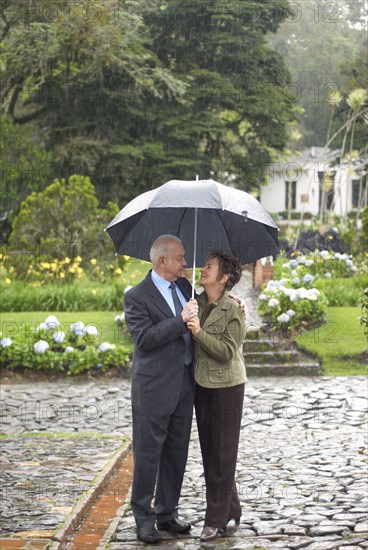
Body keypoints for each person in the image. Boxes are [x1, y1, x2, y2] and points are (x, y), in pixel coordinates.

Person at [123, 235, 198, 544]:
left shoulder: (183, 288)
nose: (185, 262)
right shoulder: (137, 296)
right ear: (162, 260)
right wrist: (180, 320)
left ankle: (167, 513)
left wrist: (232, 300)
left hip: (184, 385)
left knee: (176, 452)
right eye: (180, 257)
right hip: (153, 388)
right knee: (148, 454)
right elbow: (145, 339)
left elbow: (201, 309)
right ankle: (143, 517)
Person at [187, 251, 247, 543]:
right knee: (212, 453)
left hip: (228, 388)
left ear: (223, 279)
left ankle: (215, 521)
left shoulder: (234, 310)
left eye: (209, 267)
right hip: (202, 384)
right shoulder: (195, 302)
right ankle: (232, 506)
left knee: (223, 454)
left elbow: (225, 352)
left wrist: (198, 332)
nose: (203, 269)